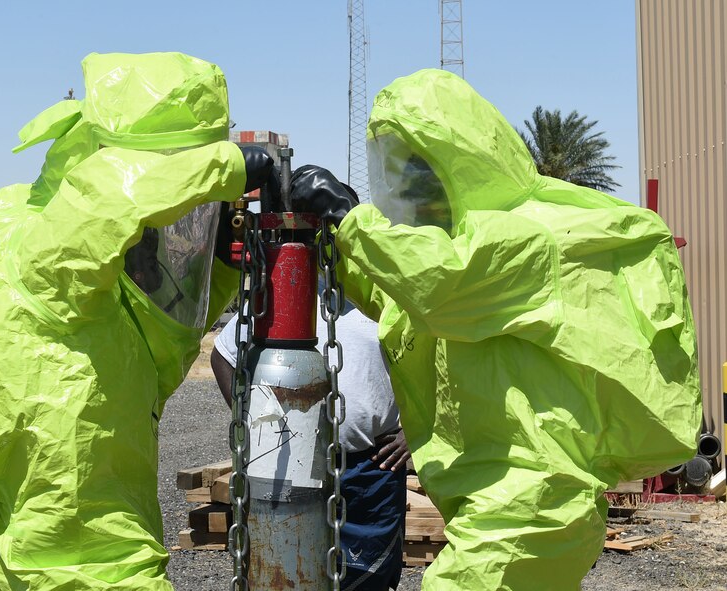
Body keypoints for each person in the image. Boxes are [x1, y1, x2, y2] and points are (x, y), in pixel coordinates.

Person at [289, 69, 701, 590]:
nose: (405, 190)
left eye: (419, 170)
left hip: (534, 501)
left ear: (461, 161)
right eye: (394, 170)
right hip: (501, 503)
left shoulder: (528, 236)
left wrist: (350, 219)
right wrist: (334, 246)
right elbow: (398, 299)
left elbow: (438, 282)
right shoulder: (457, 251)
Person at [0, 52, 276, 590]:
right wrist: (226, 166)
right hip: (71, 563)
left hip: (112, 543)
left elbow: (164, 348)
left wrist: (220, 270)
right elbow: (103, 203)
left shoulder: (109, 296)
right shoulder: (48, 255)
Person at [211, 290, 410, 590]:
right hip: (295, 467)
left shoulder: (387, 297)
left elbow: (435, 365)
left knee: (370, 576)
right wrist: (250, 423)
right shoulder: (288, 292)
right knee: (290, 569)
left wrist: (416, 432)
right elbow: (223, 355)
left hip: (374, 468)